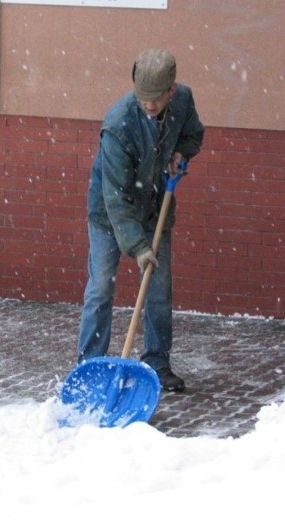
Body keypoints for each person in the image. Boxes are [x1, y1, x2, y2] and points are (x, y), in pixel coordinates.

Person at [77, 48, 205, 392]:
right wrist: (136, 247)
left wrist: (181, 152)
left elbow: (193, 134)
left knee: (159, 289)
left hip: (153, 207)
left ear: (171, 90)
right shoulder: (119, 123)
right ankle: (90, 366)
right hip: (109, 214)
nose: (149, 105)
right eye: (143, 98)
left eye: (156, 99)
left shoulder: (183, 101)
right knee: (102, 286)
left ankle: (157, 364)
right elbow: (116, 196)